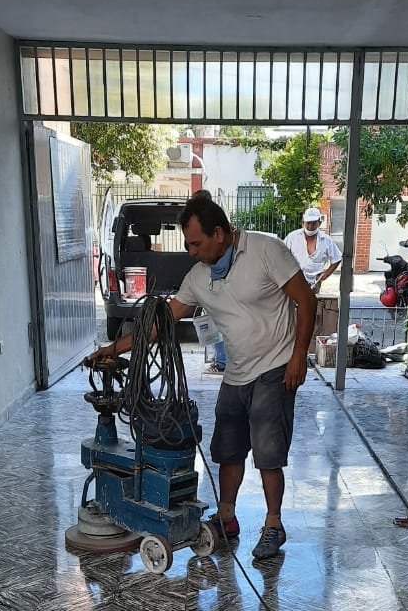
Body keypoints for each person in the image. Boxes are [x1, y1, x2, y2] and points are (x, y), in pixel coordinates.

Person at [91, 190, 316, 561]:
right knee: (228, 450)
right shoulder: (198, 277)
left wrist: (298, 357)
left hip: (275, 367)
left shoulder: (265, 250)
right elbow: (160, 323)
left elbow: (305, 300)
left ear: (220, 233)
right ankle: (226, 519)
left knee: (268, 453)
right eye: (188, 244)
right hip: (236, 373)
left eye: (196, 243)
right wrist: (113, 348)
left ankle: (273, 524)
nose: (191, 251)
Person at [283, 207, 342, 292]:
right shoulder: (292, 237)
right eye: (308, 223)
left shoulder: (326, 240)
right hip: (294, 281)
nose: (310, 227)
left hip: (314, 284)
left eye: (314, 223)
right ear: (302, 223)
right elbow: (281, 255)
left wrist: (326, 274)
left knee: (311, 300)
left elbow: (337, 258)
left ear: (319, 223)